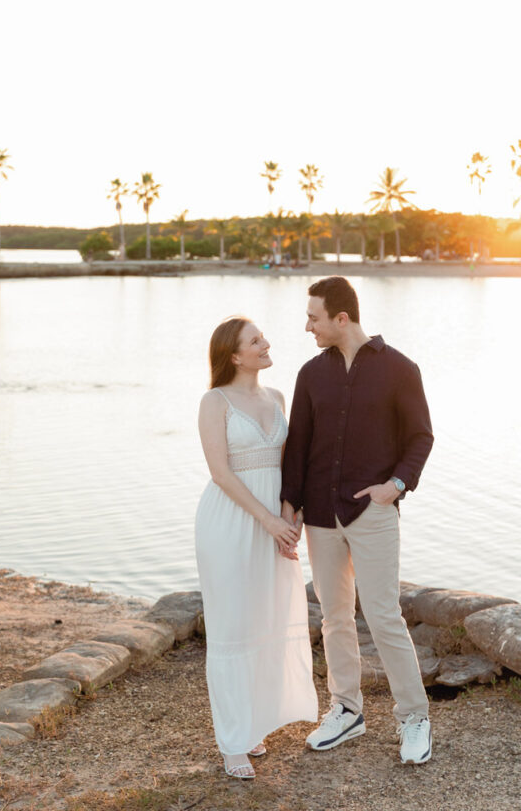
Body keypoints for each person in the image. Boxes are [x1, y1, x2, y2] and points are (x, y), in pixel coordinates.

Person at [281, 276, 434, 764]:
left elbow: (421, 437)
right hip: (320, 516)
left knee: (384, 615)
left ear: (341, 318)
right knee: (334, 617)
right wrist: (290, 505)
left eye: (314, 318)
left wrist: (397, 485)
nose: (308, 327)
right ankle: (347, 710)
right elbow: (298, 444)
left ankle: (414, 717)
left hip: (374, 512)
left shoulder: (400, 369)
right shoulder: (310, 374)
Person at [195, 317, 318, 779]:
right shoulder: (215, 401)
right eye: (255, 340)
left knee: (268, 619)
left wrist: (289, 517)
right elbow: (220, 473)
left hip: (274, 523)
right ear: (234, 355)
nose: (266, 343)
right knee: (232, 626)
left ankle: (253, 725)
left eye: (263, 336)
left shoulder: (277, 398)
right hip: (230, 523)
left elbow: (287, 467)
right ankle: (232, 742)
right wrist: (265, 520)